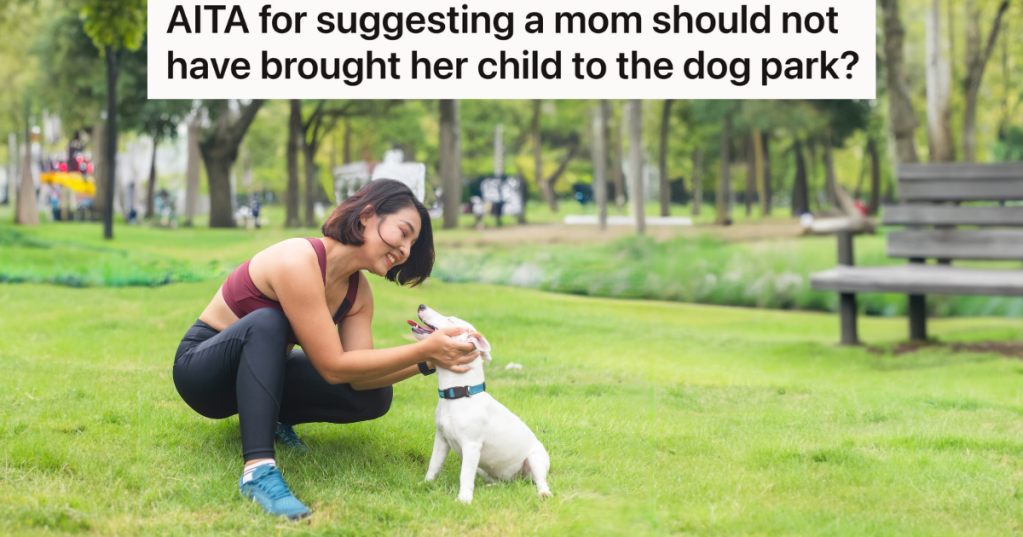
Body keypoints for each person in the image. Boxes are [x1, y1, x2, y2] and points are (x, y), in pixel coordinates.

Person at [172, 179, 480, 520]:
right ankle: (257, 471)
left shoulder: (358, 294)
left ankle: (273, 418)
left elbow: (360, 378)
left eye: (412, 244)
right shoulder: (297, 259)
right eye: (404, 233)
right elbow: (333, 366)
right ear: (367, 216)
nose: (406, 250)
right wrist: (425, 350)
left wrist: (430, 360)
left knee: (376, 394)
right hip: (202, 374)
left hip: (261, 374)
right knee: (268, 322)